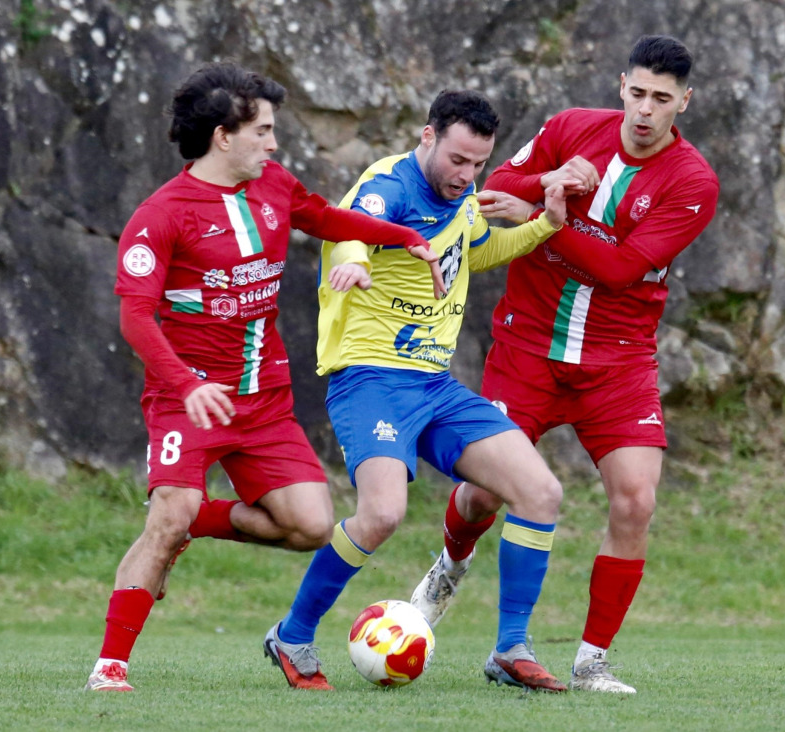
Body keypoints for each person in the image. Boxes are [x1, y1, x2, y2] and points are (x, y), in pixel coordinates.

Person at [86, 62, 445, 692]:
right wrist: (187, 384)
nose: (274, 144)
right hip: (188, 399)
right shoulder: (160, 215)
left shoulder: (273, 185)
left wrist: (401, 237)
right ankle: (110, 666)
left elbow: (324, 217)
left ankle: (191, 522)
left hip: (265, 400)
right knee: (169, 513)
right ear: (223, 136)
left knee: (310, 526)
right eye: (263, 131)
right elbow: (135, 318)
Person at [410, 35, 720, 694]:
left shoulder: (693, 182)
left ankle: (592, 661)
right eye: (638, 93)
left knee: (636, 501)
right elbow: (497, 187)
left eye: (662, 99)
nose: (645, 110)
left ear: (684, 103)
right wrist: (549, 184)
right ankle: (449, 567)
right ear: (621, 86)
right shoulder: (573, 127)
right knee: (483, 492)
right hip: (527, 347)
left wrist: (543, 217)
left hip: (618, 361)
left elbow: (621, 268)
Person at [262, 90, 575, 692]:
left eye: (479, 163)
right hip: (371, 378)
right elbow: (353, 229)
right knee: (382, 514)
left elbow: (479, 251)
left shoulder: (462, 201)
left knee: (541, 492)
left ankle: (511, 649)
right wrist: (354, 261)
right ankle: (293, 635)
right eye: (457, 159)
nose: (466, 175)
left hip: (434, 384)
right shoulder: (390, 185)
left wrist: (543, 226)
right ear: (427, 136)